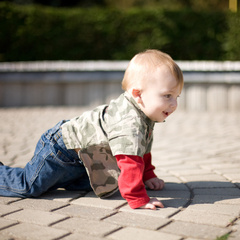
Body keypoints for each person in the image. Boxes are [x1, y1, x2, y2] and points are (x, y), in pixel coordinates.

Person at [0, 49, 184, 210]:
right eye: (167, 95)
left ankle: (68, 179)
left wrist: (148, 175)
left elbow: (141, 150)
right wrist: (138, 198)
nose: (174, 104)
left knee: (104, 185)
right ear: (138, 94)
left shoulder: (145, 114)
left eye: (176, 96)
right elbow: (130, 161)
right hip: (60, 150)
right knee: (29, 186)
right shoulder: (129, 122)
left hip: (83, 158)